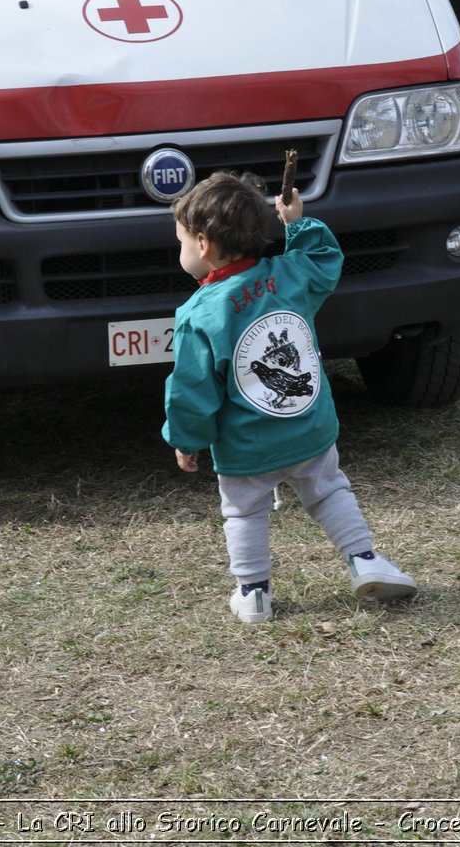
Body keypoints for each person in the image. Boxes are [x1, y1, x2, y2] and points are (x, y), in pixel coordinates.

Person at [162, 172, 416, 623]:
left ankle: (253, 592)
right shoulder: (290, 274)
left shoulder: (198, 314)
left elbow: (191, 392)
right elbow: (325, 256)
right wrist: (297, 222)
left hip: (247, 446)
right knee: (329, 491)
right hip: (308, 429)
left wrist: (186, 439)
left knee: (244, 513)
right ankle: (365, 561)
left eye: (180, 241)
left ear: (202, 245)